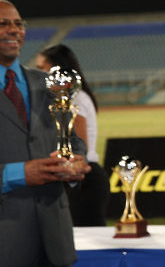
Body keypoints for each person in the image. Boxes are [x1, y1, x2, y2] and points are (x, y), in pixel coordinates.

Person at [0, 0, 91, 266]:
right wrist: (19, 174)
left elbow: (72, 140)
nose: (14, 30)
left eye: (18, 24)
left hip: (55, 237)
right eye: (3, 24)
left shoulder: (50, 83)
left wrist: (77, 162)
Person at [36, 44, 110, 226]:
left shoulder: (73, 98)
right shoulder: (71, 97)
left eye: (41, 69)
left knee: (86, 245)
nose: (37, 74)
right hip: (77, 177)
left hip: (82, 177)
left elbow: (78, 146)